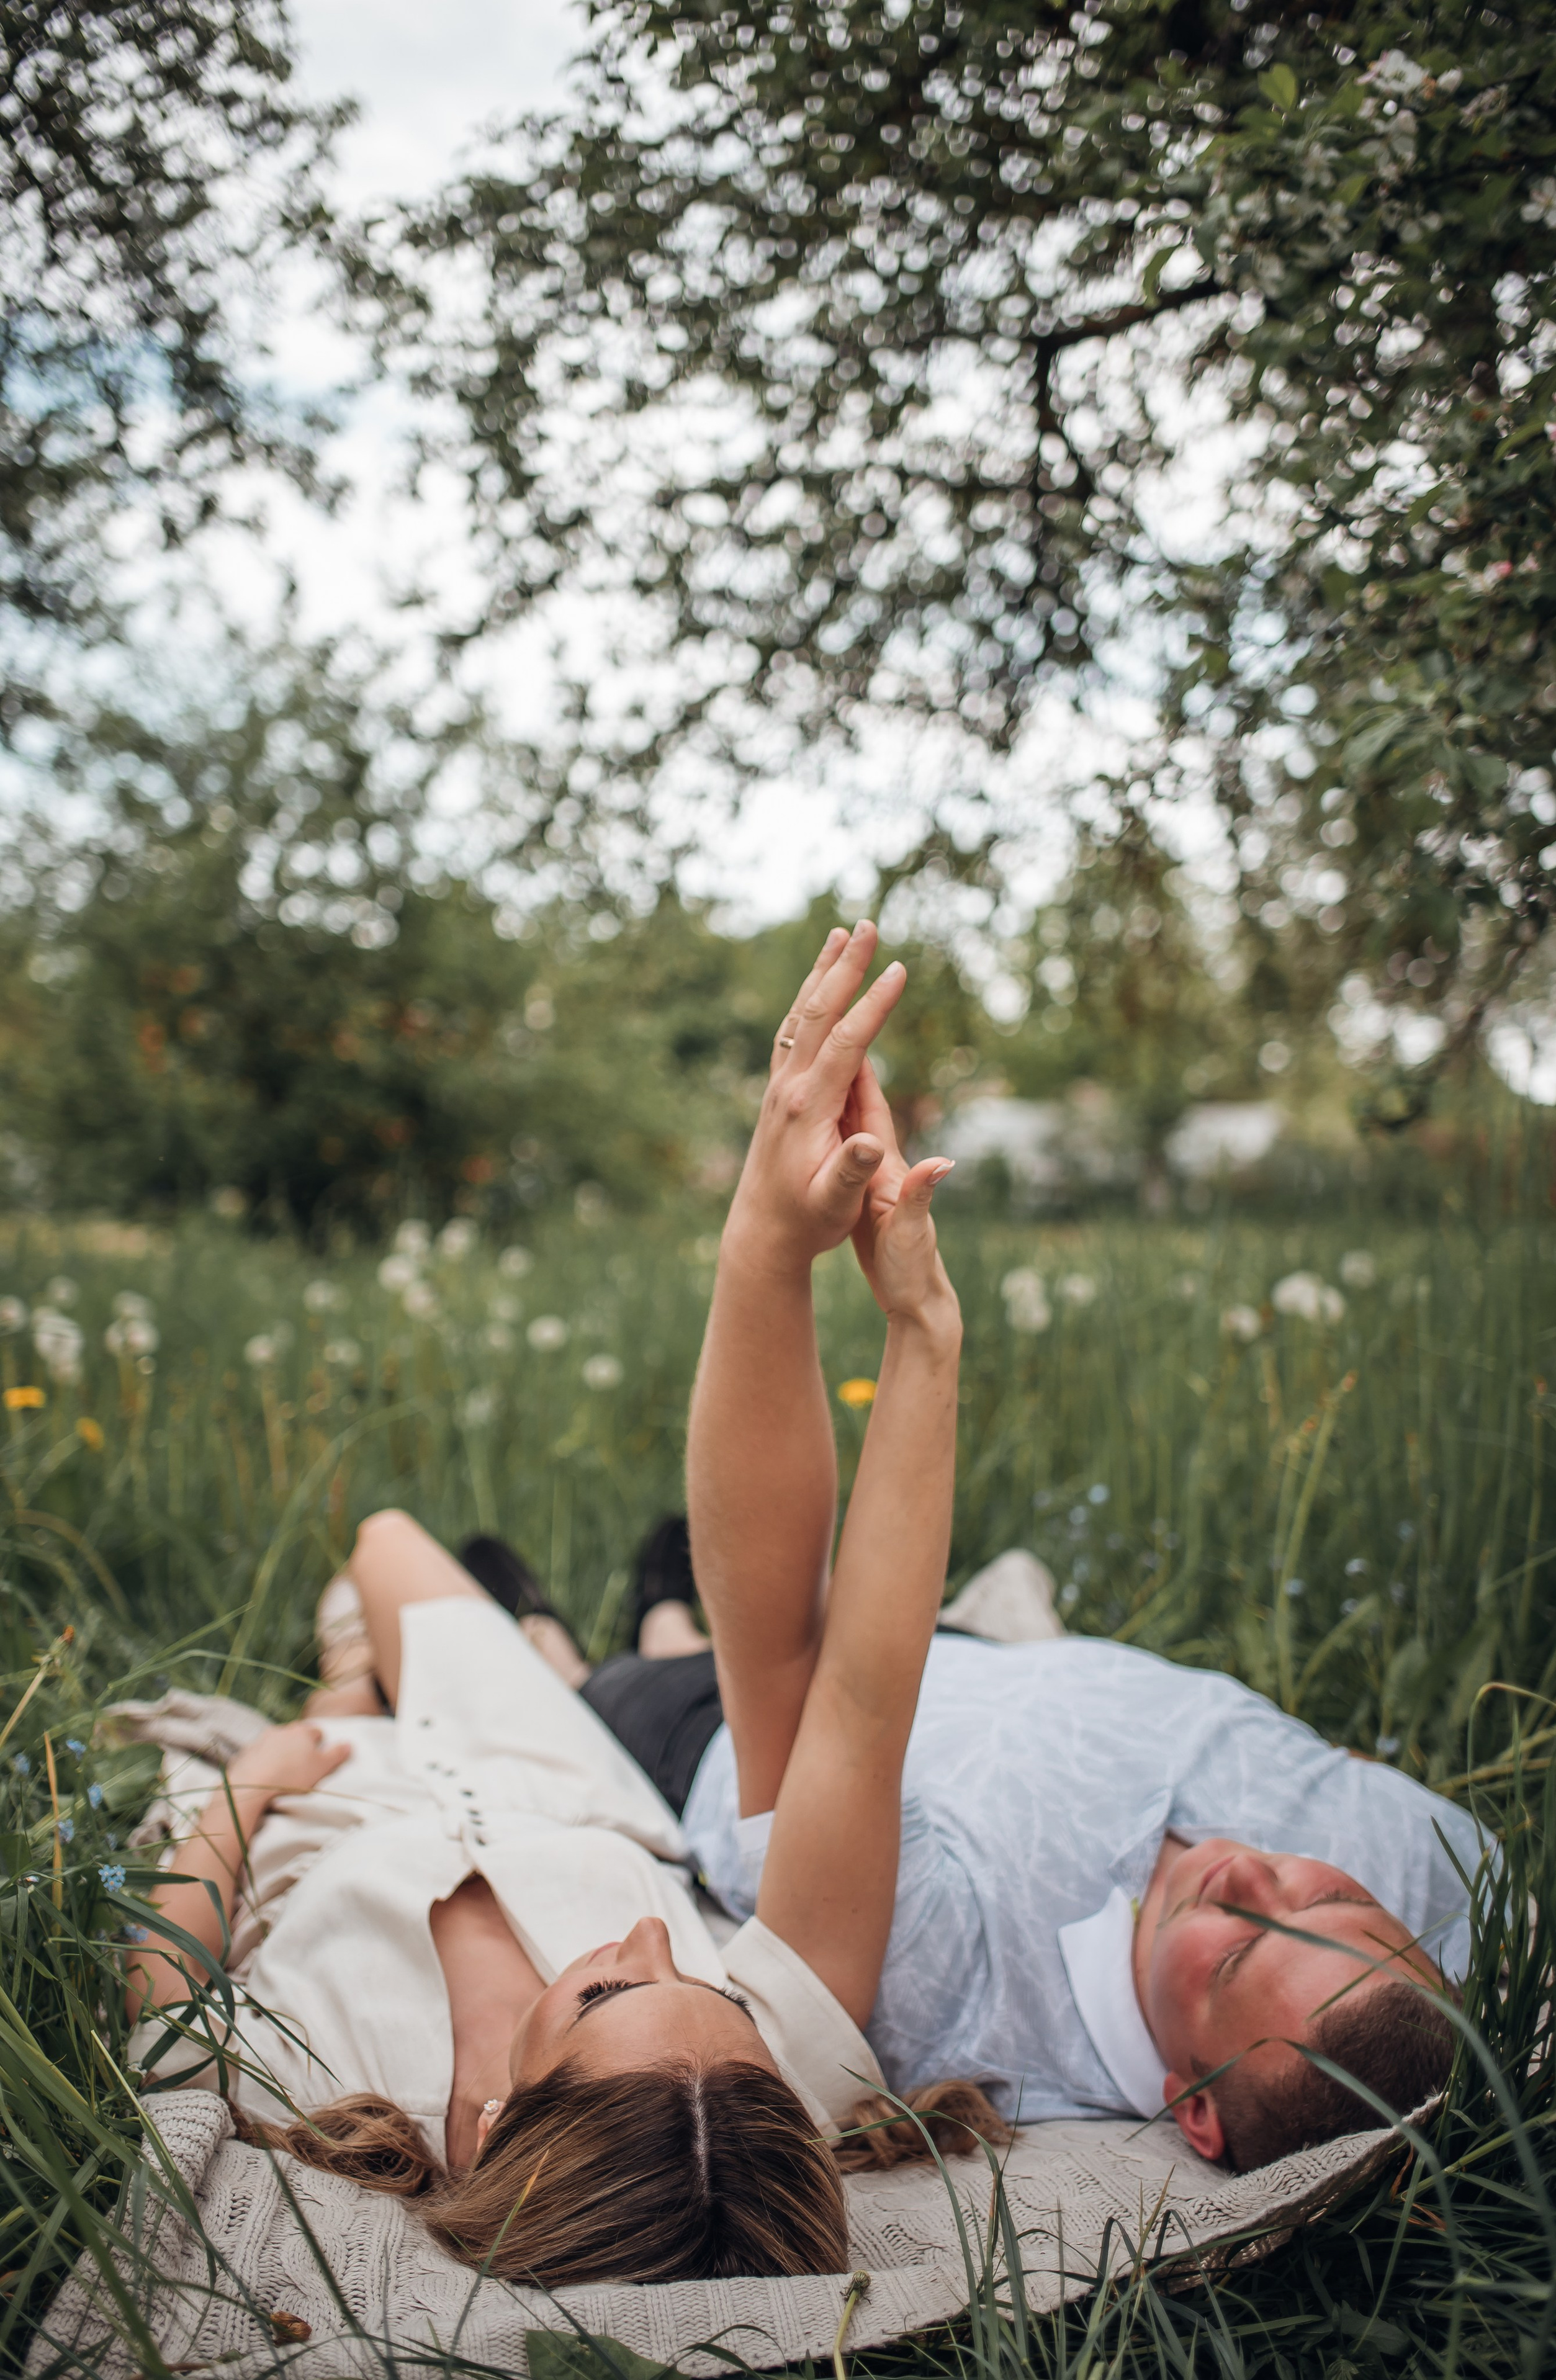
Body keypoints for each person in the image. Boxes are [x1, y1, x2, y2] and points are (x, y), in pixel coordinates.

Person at [475, 920, 1477, 2175]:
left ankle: (567, 1631)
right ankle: (655, 1593)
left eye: (1232, 1946)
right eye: (1320, 1894)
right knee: (682, 1572)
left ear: (1194, 2106)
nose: (1247, 1872)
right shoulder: (1423, 1884)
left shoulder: (957, 1979)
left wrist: (779, 1252)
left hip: (733, 1722)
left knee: (631, 1665)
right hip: (964, 1656)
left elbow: (790, 1657)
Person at [125, 925, 986, 2284]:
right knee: (392, 1539)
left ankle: (358, 1674)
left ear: (486, 2129)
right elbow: (862, 1703)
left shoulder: (323, 2077)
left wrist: (258, 1782)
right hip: (544, 1763)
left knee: (377, 1574)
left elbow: (162, 1996)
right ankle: (516, 1649)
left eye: (604, 1990)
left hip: (338, 1793)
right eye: (700, 1977)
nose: (660, 1931)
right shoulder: (757, 2082)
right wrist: (922, 1329)